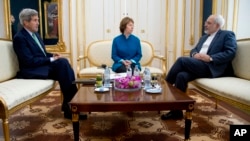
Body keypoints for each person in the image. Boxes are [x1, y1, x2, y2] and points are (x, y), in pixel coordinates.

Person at [12, 8, 86, 120]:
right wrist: (51, 60)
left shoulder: (35, 35)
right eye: (35, 20)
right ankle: (72, 106)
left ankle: (70, 106)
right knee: (63, 64)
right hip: (31, 70)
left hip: (41, 66)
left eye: (37, 20)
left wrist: (52, 55)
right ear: (25, 22)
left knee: (64, 65)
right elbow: (28, 61)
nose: (38, 23)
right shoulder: (19, 38)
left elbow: (41, 54)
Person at [161, 14, 237, 120]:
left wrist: (210, 58)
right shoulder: (204, 37)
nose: (205, 25)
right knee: (181, 76)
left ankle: (164, 88)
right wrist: (194, 54)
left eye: (209, 23)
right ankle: (176, 112)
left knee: (181, 60)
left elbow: (230, 52)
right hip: (199, 65)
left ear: (217, 25)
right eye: (206, 22)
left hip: (211, 67)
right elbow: (194, 50)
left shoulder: (227, 34)